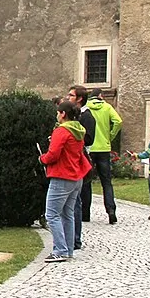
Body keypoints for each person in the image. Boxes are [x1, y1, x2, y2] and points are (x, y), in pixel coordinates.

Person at [38, 102, 91, 263]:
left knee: (52, 214)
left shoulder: (61, 131)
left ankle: (59, 250)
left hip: (62, 176)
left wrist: (42, 158)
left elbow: (53, 155)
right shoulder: (78, 131)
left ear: (62, 114)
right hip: (76, 176)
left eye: (58, 113)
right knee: (68, 214)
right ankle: (68, 249)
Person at [63, 86, 99, 244]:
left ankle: (75, 238)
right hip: (73, 158)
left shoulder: (87, 116)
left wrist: (72, 139)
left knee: (75, 201)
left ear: (79, 99)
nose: (68, 97)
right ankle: (71, 237)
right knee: (72, 201)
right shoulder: (76, 115)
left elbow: (89, 138)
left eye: (71, 95)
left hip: (79, 158)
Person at [82, 89, 123, 224]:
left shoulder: (86, 109)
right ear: (101, 96)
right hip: (104, 148)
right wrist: (110, 136)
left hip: (90, 147)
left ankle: (85, 213)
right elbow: (118, 121)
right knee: (106, 181)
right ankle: (111, 210)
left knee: (87, 181)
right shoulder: (107, 107)